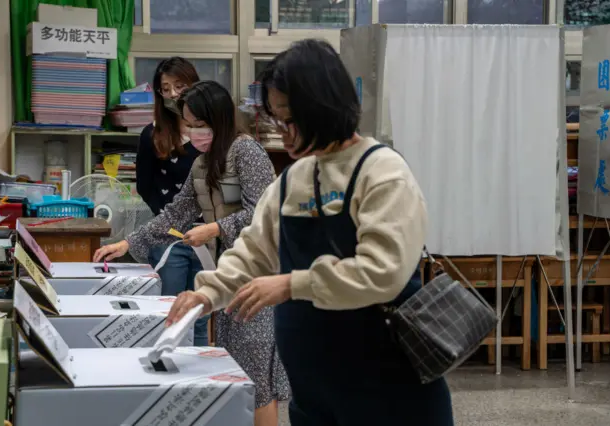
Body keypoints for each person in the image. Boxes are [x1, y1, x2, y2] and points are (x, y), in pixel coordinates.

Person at [166, 39, 455, 425]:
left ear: (325, 106)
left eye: (291, 120)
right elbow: (252, 253)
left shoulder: (381, 172)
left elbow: (383, 272)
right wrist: (207, 293)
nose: (283, 133)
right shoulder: (294, 180)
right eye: (276, 120)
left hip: (389, 390)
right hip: (315, 394)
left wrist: (291, 285)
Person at [94, 80, 290, 426]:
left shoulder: (247, 152)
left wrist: (215, 228)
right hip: (226, 276)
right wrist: (128, 244)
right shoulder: (201, 164)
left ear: (219, 119)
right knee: (236, 367)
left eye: (200, 125)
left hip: (260, 276)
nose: (193, 132)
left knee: (258, 375)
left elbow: (263, 212)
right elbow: (175, 213)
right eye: (189, 125)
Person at [135, 57, 207, 345]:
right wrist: (169, 221)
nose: (174, 94)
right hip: (169, 238)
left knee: (200, 320)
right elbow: (144, 186)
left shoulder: (209, 134)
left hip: (208, 238)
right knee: (169, 317)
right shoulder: (153, 133)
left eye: (180, 86)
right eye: (166, 88)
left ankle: (201, 384)